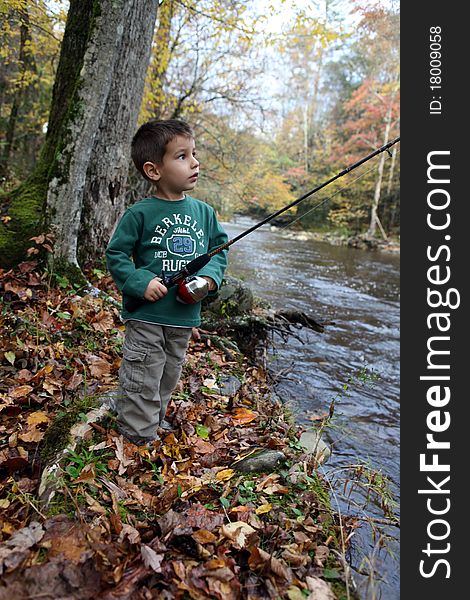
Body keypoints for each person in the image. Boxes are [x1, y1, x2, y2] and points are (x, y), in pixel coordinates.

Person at [106, 119, 228, 445]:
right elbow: (116, 254)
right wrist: (140, 281)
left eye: (194, 154)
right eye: (182, 156)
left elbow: (219, 253)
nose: (195, 162)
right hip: (146, 313)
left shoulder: (205, 213)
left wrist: (209, 280)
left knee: (168, 375)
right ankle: (136, 439)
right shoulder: (140, 213)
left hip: (183, 317)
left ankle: (152, 425)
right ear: (154, 170)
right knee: (143, 374)